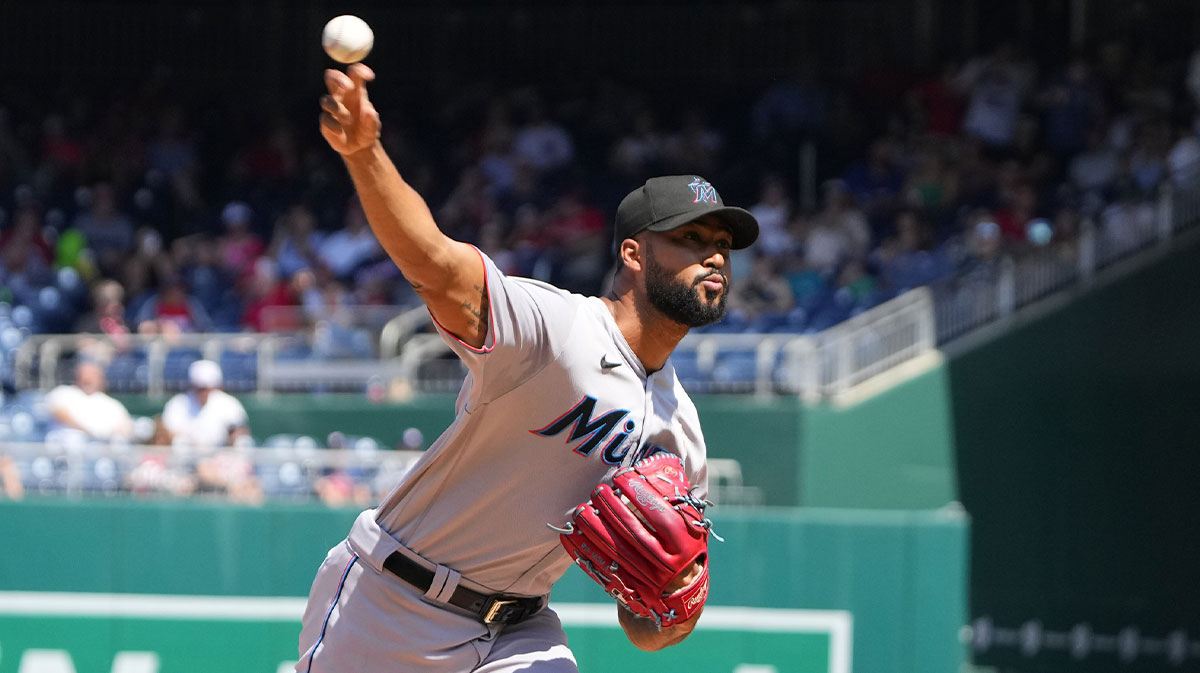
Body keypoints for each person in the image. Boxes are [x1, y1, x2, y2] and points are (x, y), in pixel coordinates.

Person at [297, 63, 759, 672]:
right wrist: (365, 153)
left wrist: (676, 610)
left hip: (520, 630)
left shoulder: (682, 432)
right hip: (394, 601)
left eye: (722, 245)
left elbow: (646, 629)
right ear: (634, 253)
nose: (714, 257)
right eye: (692, 239)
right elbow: (435, 265)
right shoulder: (557, 327)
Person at [159, 360, 250, 448]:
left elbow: (240, 430)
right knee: (181, 442)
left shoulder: (228, 403)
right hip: (187, 458)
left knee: (242, 442)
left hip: (221, 456)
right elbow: (167, 432)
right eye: (200, 388)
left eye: (207, 388)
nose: (203, 392)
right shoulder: (178, 403)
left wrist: (234, 437)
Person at [44, 360, 134, 441]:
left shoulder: (111, 403)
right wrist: (88, 433)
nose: (88, 378)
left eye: (93, 375)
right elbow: (60, 414)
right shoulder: (64, 392)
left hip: (102, 446)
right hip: (68, 444)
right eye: (85, 374)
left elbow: (126, 427)